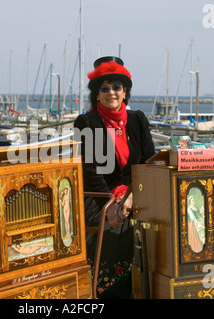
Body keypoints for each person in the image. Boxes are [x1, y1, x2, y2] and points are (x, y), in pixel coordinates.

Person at [74, 56, 155, 298]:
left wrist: (132, 196)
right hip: (100, 195)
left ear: (125, 91)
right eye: (105, 88)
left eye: (116, 87)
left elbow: (148, 162)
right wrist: (112, 203)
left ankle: (145, 287)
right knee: (114, 225)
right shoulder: (87, 122)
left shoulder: (137, 120)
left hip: (135, 193)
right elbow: (91, 172)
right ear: (97, 94)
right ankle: (107, 292)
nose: (112, 92)